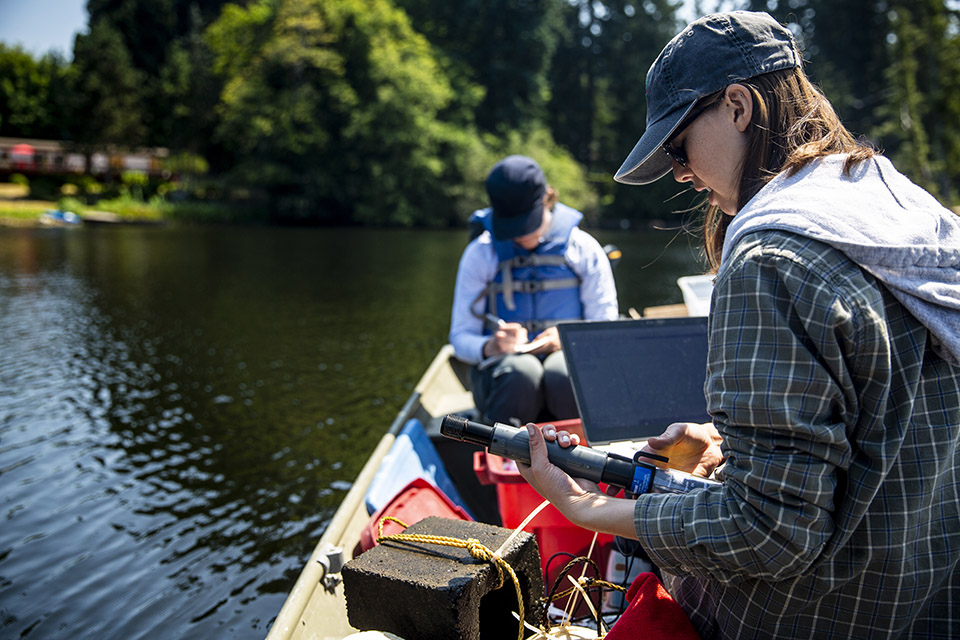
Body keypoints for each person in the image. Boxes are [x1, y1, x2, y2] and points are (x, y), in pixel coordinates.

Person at [517, 11, 960, 639]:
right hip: (929, 600)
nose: (680, 173)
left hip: (817, 616)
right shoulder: (900, 208)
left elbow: (770, 534)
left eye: (677, 146)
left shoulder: (769, 263)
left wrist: (588, 507)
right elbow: (881, 435)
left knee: (638, 542)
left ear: (737, 106)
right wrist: (734, 450)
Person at [449, 154, 618, 425]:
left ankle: (579, 457)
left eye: (526, 223)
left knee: (562, 372)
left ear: (546, 200)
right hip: (505, 374)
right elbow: (460, 337)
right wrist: (491, 346)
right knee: (521, 372)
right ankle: (506, 457)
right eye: (511, 228)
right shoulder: (480, 253)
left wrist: (568, 339)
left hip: (567, 366)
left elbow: (605, 328)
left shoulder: (583, 248)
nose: (520, 235)